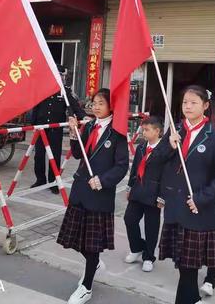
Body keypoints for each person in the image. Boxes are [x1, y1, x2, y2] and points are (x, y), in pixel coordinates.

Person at [158, 85, 215, 304]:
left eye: (193, 102)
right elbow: (157, 163)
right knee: (184, 266)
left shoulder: (214, 138)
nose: (188, 107)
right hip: (175, 208)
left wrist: (202, 197)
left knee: (189, 267)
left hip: (197, 210)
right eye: (184, 102)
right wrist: (169, 147)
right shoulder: (175, 131)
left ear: (206, 106)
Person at [57, 88, 129, 304]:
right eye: (94, 102)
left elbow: (122, 165)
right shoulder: (89, 126)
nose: (96, 106)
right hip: (81, 189)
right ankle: (94, 263)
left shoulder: (117, 133)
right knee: (77, 238)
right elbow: (79, 154)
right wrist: (73, 133)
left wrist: (103, 180)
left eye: (101, 103)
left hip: (99, 194)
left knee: (92, 244)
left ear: (111, 106)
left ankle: (87, 286)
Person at [31, 65, 85, 193]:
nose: (58, 77)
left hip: (56, 129)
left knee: (54, 156)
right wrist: (33, 124)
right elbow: (36, 108)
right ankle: (40, 180)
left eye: (60, 75)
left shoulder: (64, 91)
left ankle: (53, 182)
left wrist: (84, 116)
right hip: (41, 128)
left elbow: (74, 106)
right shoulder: (42, 89)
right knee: (39, 155)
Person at [124, 116, 165, 273]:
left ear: (157, 131)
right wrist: (129, 187)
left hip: (154, 193)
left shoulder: (164, 149)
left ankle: (149, 257)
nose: (144, 132)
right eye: (143, 129)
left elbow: (166, 175)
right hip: (138, 190)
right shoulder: (141, 147)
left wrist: (163, 196)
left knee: (151, 226)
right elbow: (135, 168)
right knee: (129, 219)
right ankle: (137, 247)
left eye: (147, 130)